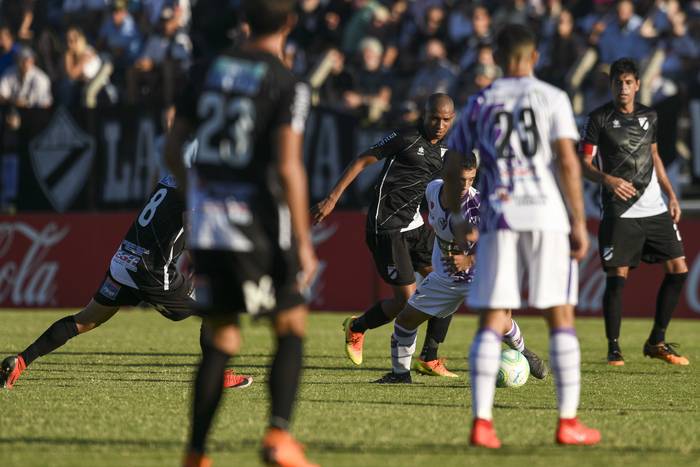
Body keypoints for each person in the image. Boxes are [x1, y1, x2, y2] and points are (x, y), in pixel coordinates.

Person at [164, 1, 318, 466]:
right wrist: (305, 245)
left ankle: (196, 454)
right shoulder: (286, 82)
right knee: (290, 323)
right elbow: (289, 166)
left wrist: (199, 199)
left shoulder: (207, 70)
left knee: (221, 335)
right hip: (259, 222)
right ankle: (278, 436)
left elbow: (173, 146)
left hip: (210, 221)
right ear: (289, 23)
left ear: (246, 20)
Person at [447, 24, 600, 448]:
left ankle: (482, 423)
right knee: (560, 316)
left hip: (500, 218)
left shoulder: (480, 101)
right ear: (534, 57)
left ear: (496, 54)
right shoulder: (552, 98)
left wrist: (459, 217)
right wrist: (579, 221)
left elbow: (456, 160)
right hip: (547, 216)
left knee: (492, 317)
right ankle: (568, 422)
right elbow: (568, 163)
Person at [0, 172, 252, 391]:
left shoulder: (169, 178)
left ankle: (19, 362)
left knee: (84, 320)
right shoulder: (193, 183)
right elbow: (192, 225)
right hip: (151, 271)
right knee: (215, 302)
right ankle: (216, 375)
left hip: (124, 261)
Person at [313, 93, 460, 378]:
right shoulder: (405, 137)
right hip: (387, 227)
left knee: (448, 283)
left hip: (415, 225)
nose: (439, 125)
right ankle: (357, 327)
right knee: (406, 302)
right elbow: (361, 160)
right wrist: (332, 198)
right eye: (434, 118)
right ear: (424, 114)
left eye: (445, 120)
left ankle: (429, 357)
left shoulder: (447, 150)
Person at [375, 150, 548, 383]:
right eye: (460, 179)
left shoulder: (476, 207)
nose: (466, 185)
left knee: (501, 323)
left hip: (481, 277)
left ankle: (523, 351)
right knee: (405, 320)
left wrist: (469, 260)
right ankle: (400, 375)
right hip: (446, 279)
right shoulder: (433, 189)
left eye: (471, 179)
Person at [579, 57, 689, 366]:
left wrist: (671, 194)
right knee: (617, 277)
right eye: (618, 82)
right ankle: (614, 348)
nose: (623, 88)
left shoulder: (650, 116)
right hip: (620, 209)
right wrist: (608, 180)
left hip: (654, 206)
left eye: (628, 82)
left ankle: (657, 340)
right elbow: (583, 165)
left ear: (638, 85)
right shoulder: (598, 118)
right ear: (611, 85)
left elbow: (654, 156)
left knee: (678, 269)